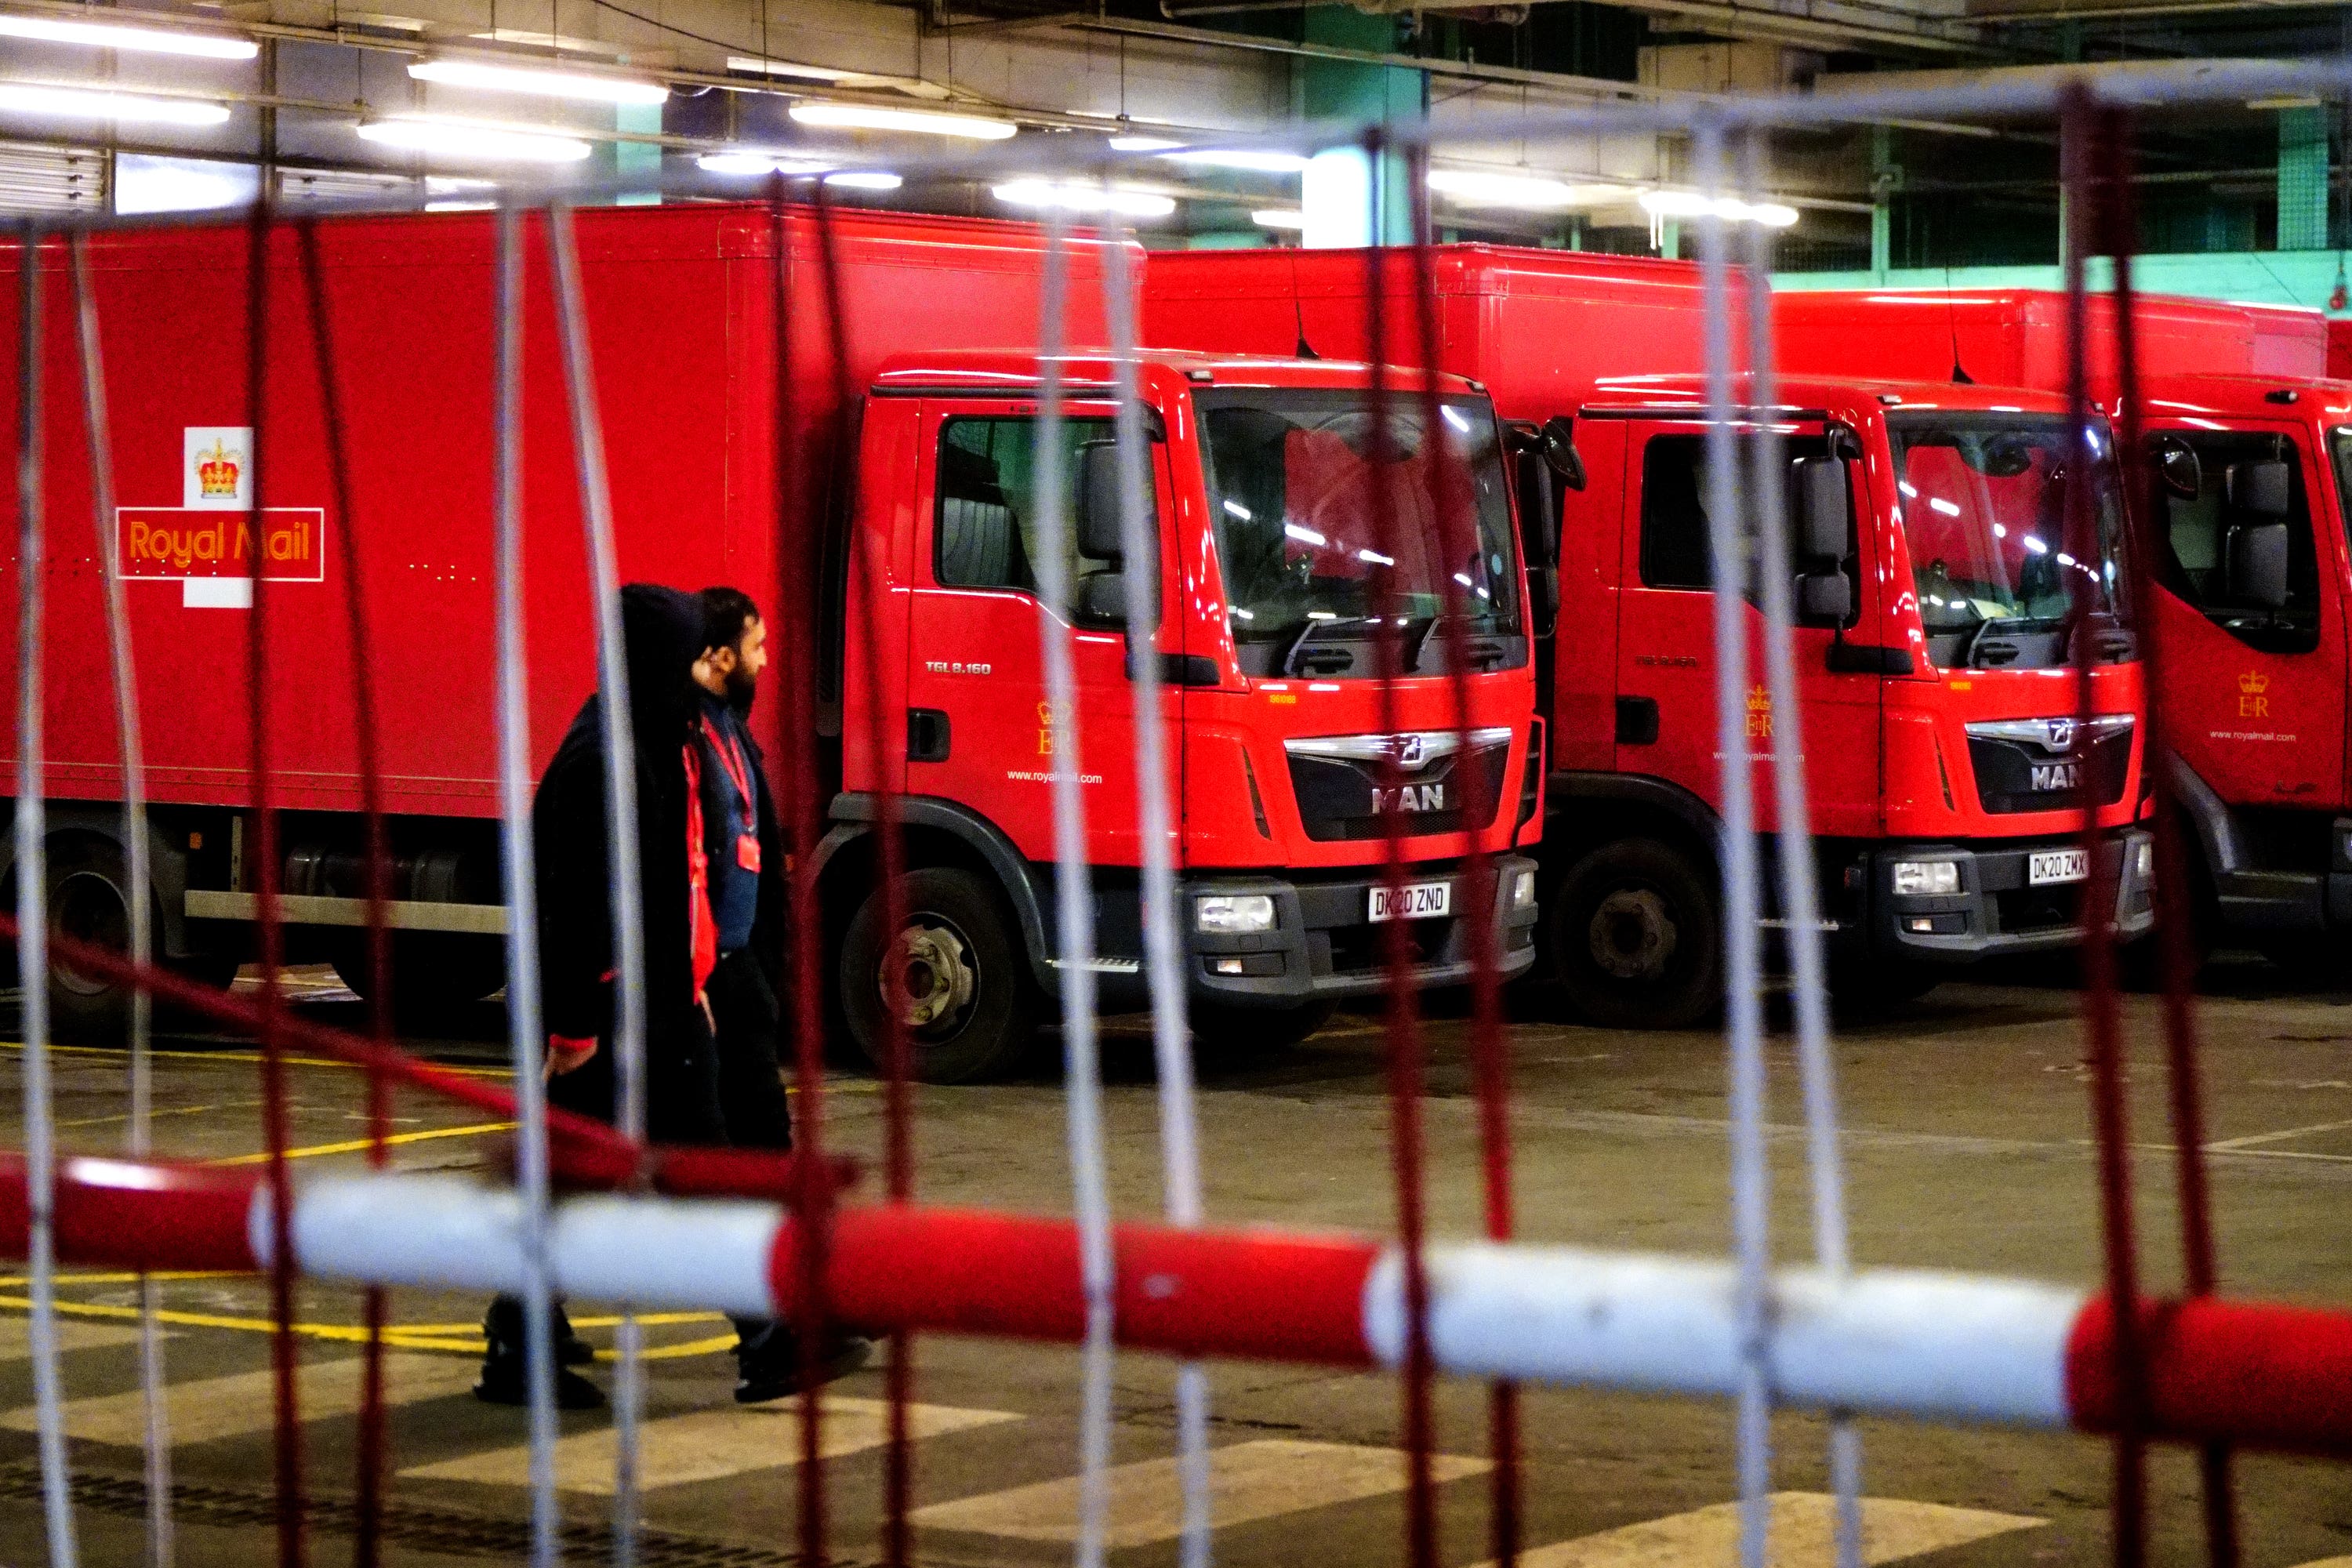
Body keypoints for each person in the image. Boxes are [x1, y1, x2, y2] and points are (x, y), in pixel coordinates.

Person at [474, 583, 864, 1407]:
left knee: (583, 1178)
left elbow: (681, 879)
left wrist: (697, 982)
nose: (704, 672)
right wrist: (576, 1027)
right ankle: (767, 1341)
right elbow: (574, 908)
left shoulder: (663, 740)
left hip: (664, 1005)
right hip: (616, 1016)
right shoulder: (601, 762)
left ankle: (520, 1334)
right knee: (692, 1171)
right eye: (689, 655)